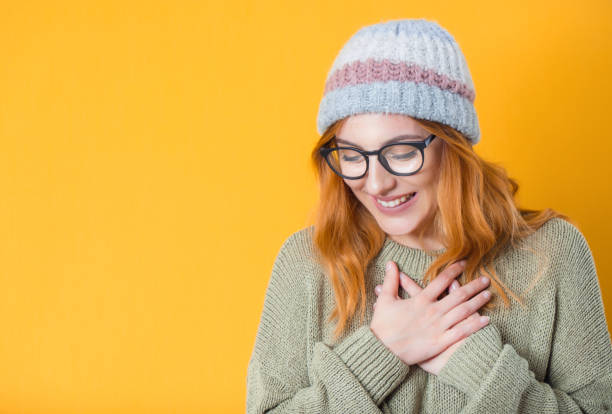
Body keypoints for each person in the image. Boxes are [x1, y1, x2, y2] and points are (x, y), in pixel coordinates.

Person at [246, 18, 612, 413]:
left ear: (453, 145)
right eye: (352, 156)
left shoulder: (553, 253)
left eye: (401, 152)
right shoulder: (307, 261)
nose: (376, 183)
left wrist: (476, 366)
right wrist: (381, 354)